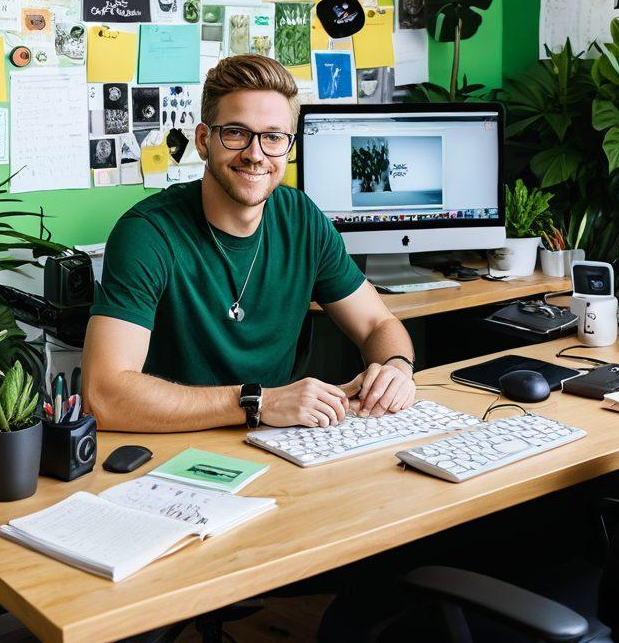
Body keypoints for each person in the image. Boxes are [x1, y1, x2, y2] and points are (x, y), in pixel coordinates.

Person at [82, 53, 416, 432]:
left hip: (281, 442)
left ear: (288, 148)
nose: (256, 155)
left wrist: (396, 368)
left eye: (273, 137)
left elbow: (377, 324)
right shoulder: (147, 233)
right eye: (236, 133)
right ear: (205, 140)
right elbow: (103, 394)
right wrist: (258, 401)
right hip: (173, 449)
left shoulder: (302, 218)